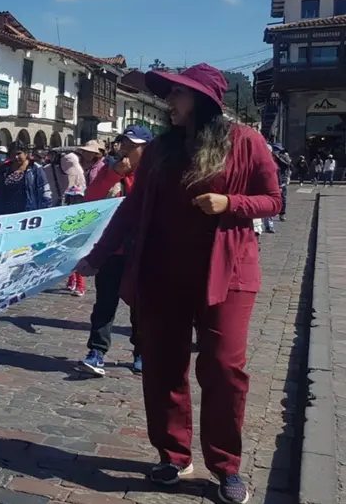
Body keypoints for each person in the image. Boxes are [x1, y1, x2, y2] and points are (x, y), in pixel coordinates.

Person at [74, 63, 280, 504]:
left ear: (203, 100)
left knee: (224, 369)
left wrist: (231, 202)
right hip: (162, 273)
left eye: (178, 95)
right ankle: (174, 455)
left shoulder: (245, 141)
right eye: (170, 94)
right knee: (164, 366)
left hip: (228, 274)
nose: (169, 102)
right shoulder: (162, 150)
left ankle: (226, 467)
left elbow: (273, 199)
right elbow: (130, 210)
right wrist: (96, 255)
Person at [77, 125, 152, 377]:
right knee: (104, 304)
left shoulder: (154, 174)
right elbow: (91, 198)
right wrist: (113, 175)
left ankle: (141, 352)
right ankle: (96, 351)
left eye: (133, 147)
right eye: (125, 146)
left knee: (141, 306)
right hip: (111, 249)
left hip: (142, 251)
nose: (127, 152)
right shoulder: (111, 170)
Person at [0, 141, 52, 215]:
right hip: (6, 214)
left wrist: (45, 211)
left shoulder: (35, 168)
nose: (16, 157)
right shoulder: (4, 169)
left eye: (19, 153)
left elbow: (45, 191)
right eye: (13, 154)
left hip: (28, 213)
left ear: (26, 153)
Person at [59, 152, 88, 296]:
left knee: (77, 257)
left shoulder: (83, 211)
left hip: (78, 230)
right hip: (68, 229)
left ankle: (80, 285)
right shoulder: (66, 209)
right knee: (68, 257)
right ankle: (71, 281)